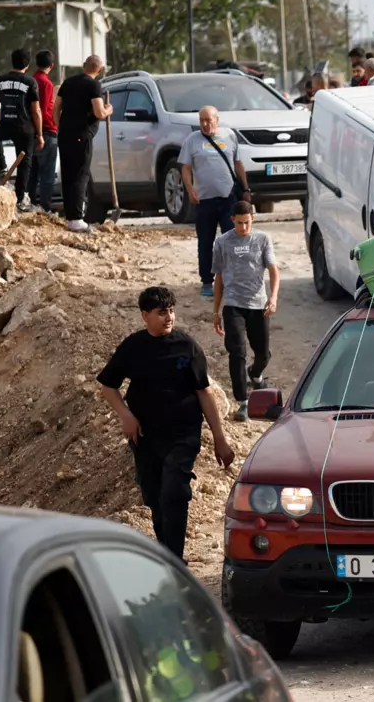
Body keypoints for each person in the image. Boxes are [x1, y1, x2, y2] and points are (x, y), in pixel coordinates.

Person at [97, 286, 235, 562]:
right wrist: (126, 416)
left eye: (171, 311)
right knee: (154, 495)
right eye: (162, 313)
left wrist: (220, 439)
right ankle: (166, 551)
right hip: (145, 436)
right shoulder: (133, 347)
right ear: (145, 316)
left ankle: (174, 559)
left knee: (174, 491)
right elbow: (107, 386)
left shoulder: (188, 347)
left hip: (183, 434)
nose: (168, 317)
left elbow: (204, 393)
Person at [213, 202, 280, 421]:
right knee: (237, 352)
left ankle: (256, 374)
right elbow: (219, 278)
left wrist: (273, 297)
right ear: (232, 219)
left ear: (253, 219)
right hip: (233, 305)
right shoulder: (222, 242)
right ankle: (243, 401)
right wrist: (216, 311)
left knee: (263, 353)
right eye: (240, 223)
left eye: (247, 222)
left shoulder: (262, 240)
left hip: (258, 304)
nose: (244, 227)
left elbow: (273, 271)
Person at [180, 105, 249, 297]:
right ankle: (207, 281)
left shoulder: (229, 136)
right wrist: (189, 188)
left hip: (228, 199)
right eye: (201, 120)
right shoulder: (192, 141)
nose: (205, 124)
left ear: (216, 120)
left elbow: (238, 164)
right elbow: (185, 167)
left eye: (208, 120)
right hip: (204, 201)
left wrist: (246, 189)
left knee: (232, 240)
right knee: (205, 242)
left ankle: (233, 279)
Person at [55, 54, 112, 234]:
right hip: (81, 135)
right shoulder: (94, 85)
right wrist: (108, 110)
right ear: (100, 70)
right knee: (80, 175)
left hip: (65, 134)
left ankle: (71, 217)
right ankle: (77, 219)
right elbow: (98, 112)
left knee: (68, 174)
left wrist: (60, 127)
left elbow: (55, 107)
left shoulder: (68, 82)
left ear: (83, 66)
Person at [0, 49, 44, 208]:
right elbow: (36, 111)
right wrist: (40, 135)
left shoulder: (1, 80)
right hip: (25, 128)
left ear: (12, 62)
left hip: (6, 124)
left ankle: (1, 166)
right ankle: (20, 198)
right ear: (27, 64)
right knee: (25, 162)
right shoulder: (30, 82)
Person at [29, 50, 57, 213]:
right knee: (47, 175)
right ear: (52, 65)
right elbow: (43, 109)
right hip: (46, 130)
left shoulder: (31, 80)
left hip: (32, 131)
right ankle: (45, 208)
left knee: (32, 174)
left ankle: (30, 205)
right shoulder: (45, 83)